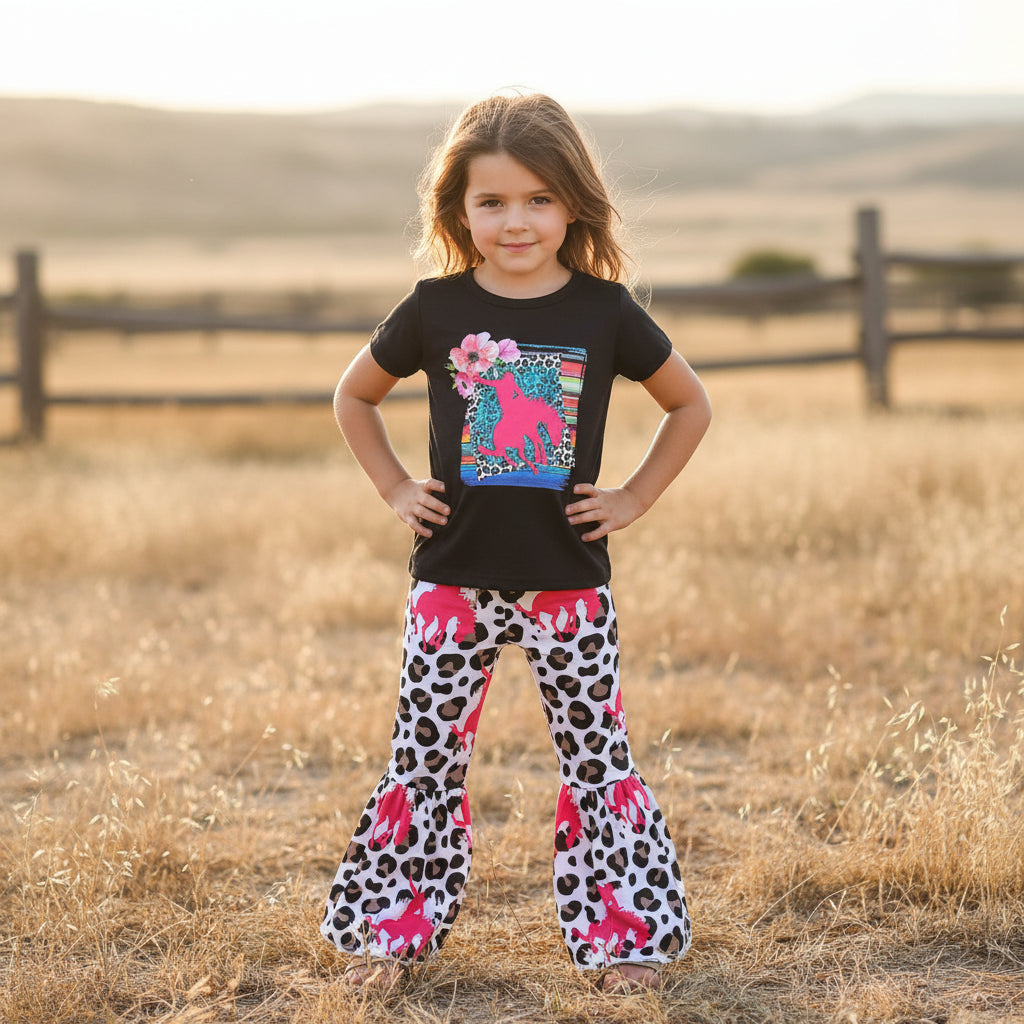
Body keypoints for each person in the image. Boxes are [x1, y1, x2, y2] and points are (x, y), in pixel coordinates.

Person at [320, 93, 711, 994]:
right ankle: (392, 937)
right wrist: (392, 486)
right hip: (452, 581)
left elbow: (690, 404)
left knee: (594, 755)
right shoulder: (433, 307)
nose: (516, 220)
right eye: (491, 202)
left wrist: (635, 497)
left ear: (572, 203)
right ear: (458, 210)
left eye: (537, 198)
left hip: (567, 580)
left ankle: (623, 945)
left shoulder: (606, 314)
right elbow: (353, 397)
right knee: (424, 757)